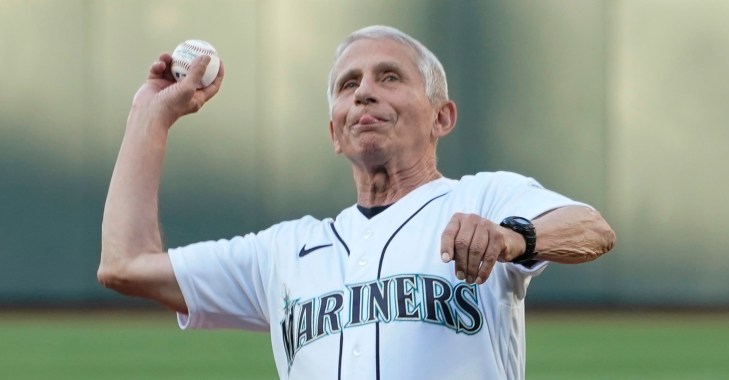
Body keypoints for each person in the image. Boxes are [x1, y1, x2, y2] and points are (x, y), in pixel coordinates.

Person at [99, 25, 615, 380]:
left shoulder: (481, 197)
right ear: (334, 132)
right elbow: (126, 265)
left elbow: (591, 228)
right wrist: (151, 117)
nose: (365, 92)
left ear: (442, 118)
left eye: (389, 77)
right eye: (349, 85)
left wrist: (511, 237)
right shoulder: (284, 252)